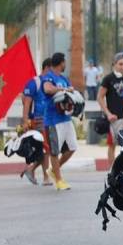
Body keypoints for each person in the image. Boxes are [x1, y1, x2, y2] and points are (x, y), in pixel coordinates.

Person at [41, 52, 77, 191]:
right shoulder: (49, 77)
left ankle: (54, 171)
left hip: (66, 119)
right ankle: (59, 179)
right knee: (54, 151)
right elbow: (48, 89)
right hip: (53, 120)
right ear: (61, 62)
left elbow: (70, 92)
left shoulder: (64, 78)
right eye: (64, 62)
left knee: (72, 147)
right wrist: (63, 89)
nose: (65, 64)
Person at [21, 58, 52, 185]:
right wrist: (25, 121)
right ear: (47, 68)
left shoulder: (52, 83)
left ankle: (32, 169)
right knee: (46, 149)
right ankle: (44, 177)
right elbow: (26, 102)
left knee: (47, 149)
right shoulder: (35, 83)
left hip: (50, 120)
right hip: (38, 120)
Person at [97, 53, 123, 169]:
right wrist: (108, 113)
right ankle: (111, 170)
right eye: (120, 64)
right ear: (114, 64)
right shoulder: (108, 79)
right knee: (112, 145)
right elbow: (100, 97)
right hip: (114, 119)